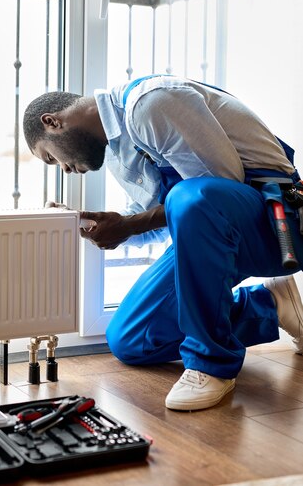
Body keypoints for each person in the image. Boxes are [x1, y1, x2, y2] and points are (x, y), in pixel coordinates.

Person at [23, 73, 303, 411]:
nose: (64, 170)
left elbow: (215, 190)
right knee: (130, 340)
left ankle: (211, 364)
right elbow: (162, 221)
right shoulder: (117, 149)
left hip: (279, 228)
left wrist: (129, 224)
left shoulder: (150, 103)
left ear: (52, 123)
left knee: (193, 196)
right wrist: (97, 224)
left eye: (50, 157)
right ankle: (271, 305)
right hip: (214, 230)